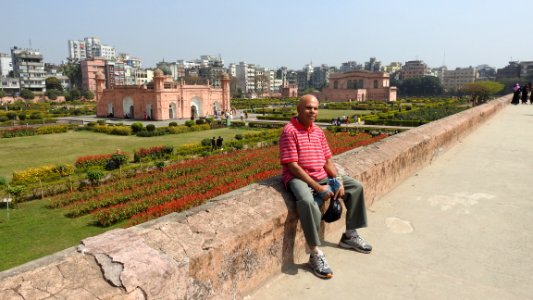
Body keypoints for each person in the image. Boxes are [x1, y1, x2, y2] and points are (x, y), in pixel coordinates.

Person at [279, 94, 372, 280]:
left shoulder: (318, 131)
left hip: (320, 174)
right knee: (307, 202)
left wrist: (336, 179)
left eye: (315, 108)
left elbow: (327, 160)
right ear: (299, 109)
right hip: (299, 177)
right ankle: (315, 252)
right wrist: (318, 187)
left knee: (355, 187)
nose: (312, 111)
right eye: (308, 108)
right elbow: (293, 166)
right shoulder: (289, 131)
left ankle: (350, 235)